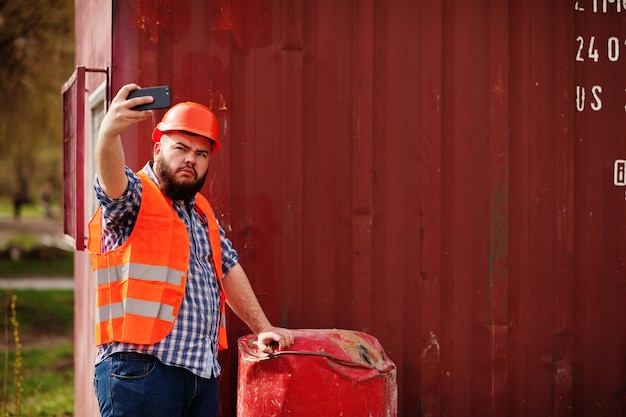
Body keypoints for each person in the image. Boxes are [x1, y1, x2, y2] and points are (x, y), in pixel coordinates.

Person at [87, 84, 294, 417]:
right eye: (181, 148)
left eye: (201, 154)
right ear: (157, 149)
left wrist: (262, 327)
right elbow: (111, 182)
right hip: (142, 372)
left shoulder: (201, 212)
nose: (190, 160)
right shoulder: (136, 197)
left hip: (199, 374)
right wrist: (108, 135)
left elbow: (228, 269)